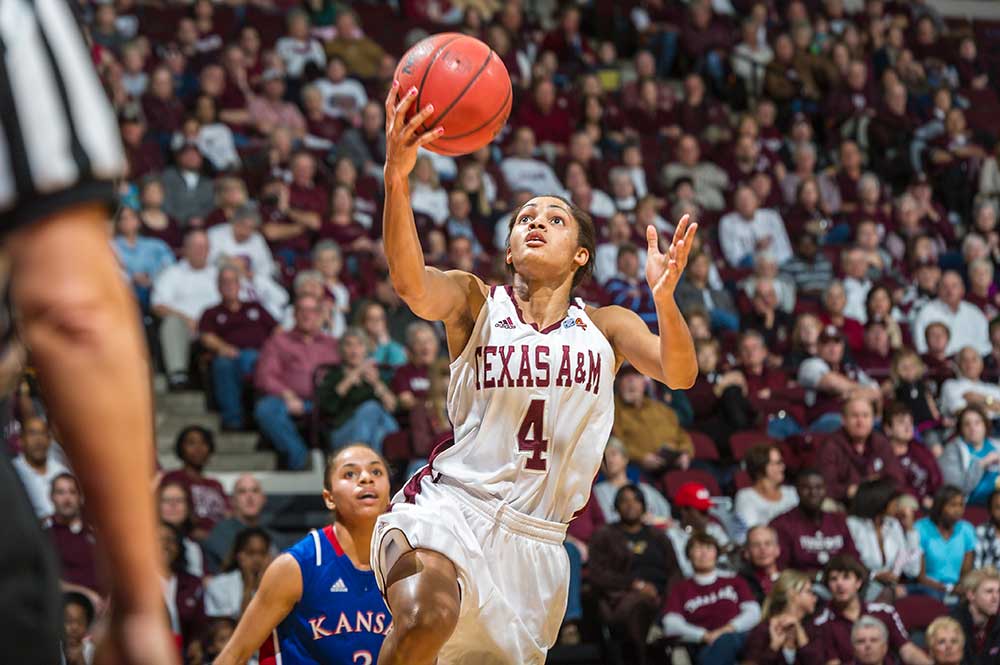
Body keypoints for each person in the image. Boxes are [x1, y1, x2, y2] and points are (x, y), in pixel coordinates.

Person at [371, 81, 698, 665]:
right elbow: (410, 283)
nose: (536, 223)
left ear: (580, 256)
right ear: (509, 251)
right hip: (453, 507)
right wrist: (397, 178)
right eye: (524, 218)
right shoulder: (477, 302)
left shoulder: (607, 327)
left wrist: (665, 298)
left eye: (555, 218)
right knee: (427, 616)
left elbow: (680, 372)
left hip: (539, 542)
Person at [213, 445, 391, 664]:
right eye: (350, 473)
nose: (366, 478)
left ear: (390, 492)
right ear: (329, 498)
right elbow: (234, 655)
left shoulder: (405, 565)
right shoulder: (297, 566)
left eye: (376, 472)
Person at [588, 485, 680, 665]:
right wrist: (634, 585)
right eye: (624, 501)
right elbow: (597, 575)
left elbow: (675, 571)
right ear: (616, 507)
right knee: (639, 607)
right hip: (623, 597)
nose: (630, 505)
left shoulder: (659, 536)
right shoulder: (604, 535)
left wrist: (668, 597)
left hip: (662, 596)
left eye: (636, 500)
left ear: (644, 506)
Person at [253, 294, 339, 470]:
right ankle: (299, 459)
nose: (307, 315)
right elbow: (265, 376)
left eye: (312, 311)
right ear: (294, 314)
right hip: (289, 400)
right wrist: (287, 395)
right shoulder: (278, 341)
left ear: (320, 315)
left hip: (326, 402)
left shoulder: (333, 344)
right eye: (302, 310)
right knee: (266, 409)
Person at [807, 554, 931, 665]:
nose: (839, 584)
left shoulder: (884, 612)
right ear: (828, 585)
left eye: (846, 577)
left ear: (858, 582)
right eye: (833, 579)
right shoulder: (821, 622)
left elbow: (906, 649)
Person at [662, 531, 761, 665]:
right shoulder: (681, 589)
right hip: (703, 646)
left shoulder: (734, 581)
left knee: (729, 641)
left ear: (716, 554)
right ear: (688, 555)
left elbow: (754, 613)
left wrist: (726, 630)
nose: (703, 553)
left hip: (738, 638)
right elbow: (671, 624)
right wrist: (703, 635)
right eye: (697, 548)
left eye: (708, 548)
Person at [198, 267, 278, 430]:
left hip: (260, 355)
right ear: (218, 287)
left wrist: (272, 350)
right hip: (229, 355)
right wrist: (224, 348)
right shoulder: (211, 312)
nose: (229, 286)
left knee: (255, 359)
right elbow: (206, 337)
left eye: (233, 281)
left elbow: (277, 330)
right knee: (223, 364)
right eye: (224, 282)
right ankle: (233, 420)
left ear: (240, 285)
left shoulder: (255, 307)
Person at [316, 327, 399, 453]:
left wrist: (377, 384)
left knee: (379, 432)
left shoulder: (377, 376)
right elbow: (328, 408)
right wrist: (349, 380)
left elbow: (393, 407)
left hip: (373, 434)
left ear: (366, 349)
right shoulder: (333, 375)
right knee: (371, 407)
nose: (354, 350)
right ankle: (368, 460)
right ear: (341, 349)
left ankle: (365, 460)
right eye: (349, 345)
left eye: (359, 345)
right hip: (343, 433)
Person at [770, 469, 860, 576]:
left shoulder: (838, 521)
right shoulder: (782, 524)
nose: (813, 493)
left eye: (818, 488)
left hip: (840, 584)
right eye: (806, 488)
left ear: (826, 490)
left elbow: (853, 559)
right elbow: (781, 568)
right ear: (797, 491)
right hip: (801, 586)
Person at [817, 397, 905, 505]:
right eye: (855, 416)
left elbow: (897, 480)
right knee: (826, 504)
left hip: (879, 500)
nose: (860, 421)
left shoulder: (881, 443)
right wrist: (851, 490)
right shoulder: (831, 446)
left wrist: (875, 488)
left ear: (873, 419)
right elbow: (826, 486)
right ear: (843, 420)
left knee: (906, 502)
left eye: (865, 416)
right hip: (845, 503)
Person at [846, 479, 923, 601]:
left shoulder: (893, 525)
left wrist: (910, 530)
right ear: (880, 501)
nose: (898, 505)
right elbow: (849, 562)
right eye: (894, 501)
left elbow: (912, 571)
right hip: (862, 586)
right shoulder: (853, 525)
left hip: (889, 588)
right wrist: (874, 576)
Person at [612, 365, 693, 478]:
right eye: (625, 377)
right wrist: (641, 458)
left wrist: (685, 453)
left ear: (644, 384)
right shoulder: (612, 411)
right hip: (639, 468)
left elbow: (682, 435)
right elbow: (616, 443)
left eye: (636, 376)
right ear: (618, 383)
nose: (631, 381)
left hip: (674, 463)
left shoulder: (661, 409)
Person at [160, 426, 230, 538]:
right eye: (191, 443)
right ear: (181, 448)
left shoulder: (215, 484)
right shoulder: (173, 478)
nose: (198, 448)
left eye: (204, 443)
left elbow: (228, 514)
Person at [44, 473, 101, 601]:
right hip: (72, 606)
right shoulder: (47, 537)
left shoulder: (94, 531)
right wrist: (85, 594)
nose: (67, 499)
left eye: (72, 492)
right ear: (51, 497)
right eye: (61, 492)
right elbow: (47, 579)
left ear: (80, 498)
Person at [741, 570, 818, 665]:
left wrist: (802, 638)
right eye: (809, 591)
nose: (815, 598)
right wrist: (773, 647)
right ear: (792, 594)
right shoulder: (763, 631)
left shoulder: (812, 629)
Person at [592, 436, 671, 524]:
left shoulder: (646, 489)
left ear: (625, 458)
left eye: (613, 454)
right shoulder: (597, 492)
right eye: (604, 458)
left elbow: (666, 517)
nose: (609, 460)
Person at [915, 486, 976, 598]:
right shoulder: (920, 529)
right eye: (953, 505)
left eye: (961, 505)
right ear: (939, 506)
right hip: (927, 588)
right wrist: (947, 589)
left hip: (957, 590)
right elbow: (920, 576)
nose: (958, 510)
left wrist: (958, 588)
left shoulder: (967, 529)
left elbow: (966, 573)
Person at [204, 528, 272, 620]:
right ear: (239, 555)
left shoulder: (277, 586)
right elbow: (241, 626)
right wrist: (247, 588)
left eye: (262, 553)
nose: (257, 560)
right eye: (251, 553)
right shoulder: (219, 585)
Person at [939, 405, 1000, 506]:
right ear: (960, 429)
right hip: (967, 509)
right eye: (967, 424)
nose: (972, 428)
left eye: (977, 423)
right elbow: (954, 490)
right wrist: (982, 464)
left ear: (985, 425)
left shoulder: (997, 447)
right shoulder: (952, 450)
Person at [12, 416, 70, 519]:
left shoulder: (61, 471)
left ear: (49, 440)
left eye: (43, 433)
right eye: (32, 434)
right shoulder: (13, 472)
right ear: (21, 440)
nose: (38, 440)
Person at [734, 444, 798, 537]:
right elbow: (750, 533)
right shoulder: (745, 497)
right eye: (777, 463)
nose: (783, 467)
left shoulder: (792, 493)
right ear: (761, 467)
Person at [950, 566, 1000, 665]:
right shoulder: (953, 625)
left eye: (999, 591)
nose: (996, 598)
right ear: (971, 595)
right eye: (989, 591)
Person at [740, 525, 783, 602]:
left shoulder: (791, 578)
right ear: (747, 552)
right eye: (756, 545)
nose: (763, 549)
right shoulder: (740, 583)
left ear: (777, 549)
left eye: (768, 543)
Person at [62, 591, 96, 665]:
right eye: (68, 620)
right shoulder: (50, 650)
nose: (74, 627)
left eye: (80, 622)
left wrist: (81, 661)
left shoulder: (93, 653)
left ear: (87, 625)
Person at [974, 489, 1000, 570]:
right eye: (998, 508)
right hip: (987, 580)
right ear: (990, 510)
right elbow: (977, 567)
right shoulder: (981, 532)